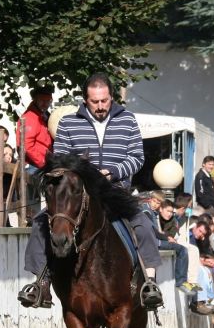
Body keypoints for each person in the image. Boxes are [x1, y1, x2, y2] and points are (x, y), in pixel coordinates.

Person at [18, 73, 161, 309]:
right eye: (95, 102)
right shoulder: (68, 123)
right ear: (85, 100)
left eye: (104, 100)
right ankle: (40, 283)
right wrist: (88, 175)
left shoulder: (128, 120)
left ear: (111, 97)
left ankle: (150, 284)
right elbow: (61, 160)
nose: (101, 106)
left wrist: (112, 172)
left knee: (144, 224)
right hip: (79, 194)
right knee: (41, 223)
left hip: (116, 191)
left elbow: (137, 157)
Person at [143, 192, 198, 296]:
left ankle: (187, 282)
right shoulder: (147, 211)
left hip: (156, 241)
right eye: (154, 201)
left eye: (158, 202)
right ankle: (181, 282)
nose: (155, 204)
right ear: (149, 199)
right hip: (154, 243)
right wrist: (166, 237)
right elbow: (154, 232)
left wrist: (166, 236)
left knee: (188, 249)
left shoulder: (152, 212)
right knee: (182, 249)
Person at [16, 86, 53, 171]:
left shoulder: (43, 116)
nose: (45, 103)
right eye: (42, 100)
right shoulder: (30, 118)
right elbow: (27, 146)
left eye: (48, 101)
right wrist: (43, 163)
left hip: (42, 163)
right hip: (34, 166)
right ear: (35, 100)